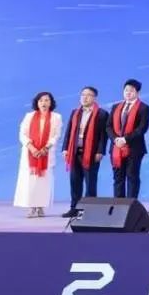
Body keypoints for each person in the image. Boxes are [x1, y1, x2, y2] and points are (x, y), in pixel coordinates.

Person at [61, 87, 109, 218]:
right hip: (75, 152)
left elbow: (103, 136)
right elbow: (68, 132)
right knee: (75, 182)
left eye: (88, 95)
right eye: (83, 95)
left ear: (94, 98)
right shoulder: (75, 113)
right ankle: (74, 208)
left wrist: (100, 151)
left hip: (91, 153)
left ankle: (90, 210)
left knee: (90, 183)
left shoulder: (102, 114)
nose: (85, 97)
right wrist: (65, 148)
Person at [14, 92, 63, 217]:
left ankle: (41, 206)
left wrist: (46, 148)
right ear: (37, 103)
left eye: (46, 100)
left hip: (46, 154)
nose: (43, 103)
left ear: (51, 103)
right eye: (41, 100)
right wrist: (31, 148)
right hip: (30, 154)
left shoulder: (56, 117)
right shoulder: (29, 116)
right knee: (30, 181)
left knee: (43, 182)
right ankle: (31, 207)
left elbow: (56, 135)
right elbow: (22, 134)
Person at [107, 79, 149, 199]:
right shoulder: (116, 107)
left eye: (131, 90)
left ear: (137, 93)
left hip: (134, 148)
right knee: (118, 178)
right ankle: (118, 205)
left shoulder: (144, 108)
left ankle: (131, 205)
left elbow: (142, 128)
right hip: (116, 148)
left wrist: (125, 139)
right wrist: (115, 139)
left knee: (132, 177)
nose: (128, 93)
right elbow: (108, 126)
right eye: (126, 90)